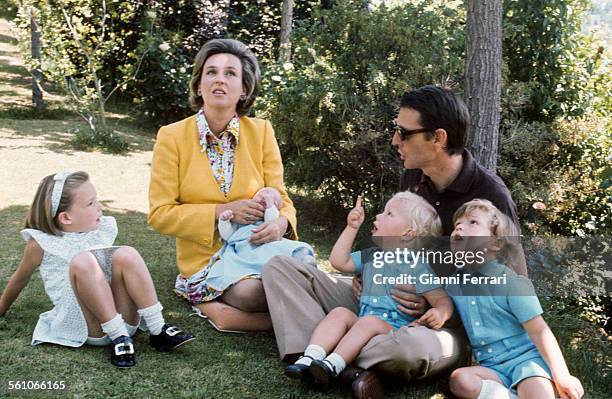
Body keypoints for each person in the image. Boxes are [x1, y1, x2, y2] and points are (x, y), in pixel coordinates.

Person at [261, 85, 520, 398]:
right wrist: (365, 273)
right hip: (378, 304)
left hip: (437, 326)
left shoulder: (491, 196)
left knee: (410, 348)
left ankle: (332, 356)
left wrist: (435, 301)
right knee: (280, 268)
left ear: (438, 138)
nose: (395, 140)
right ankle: (333, 363)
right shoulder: (413, 177)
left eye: (403, 132)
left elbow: (512, 284)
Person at [148, 38, 297, 332]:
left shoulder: (262, 131)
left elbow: (282, 198)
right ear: (199, 84)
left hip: (256, 251)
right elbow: (160, 215)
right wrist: (222, 211)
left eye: (230, 73)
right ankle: (304, 321)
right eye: (211, 72)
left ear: (244, 88)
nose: (219, 79)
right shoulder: (171, 137)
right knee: (258, 293)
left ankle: (228, 313)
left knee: (294, 276)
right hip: (207, 260)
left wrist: (281, 224)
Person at [0, 171, 195, 368]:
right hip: (89, 327)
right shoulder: (40, 244)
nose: (99, 208)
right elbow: (20, 279)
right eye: (90, 204)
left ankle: (157, 328)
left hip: (124, 319)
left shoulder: (98, 230)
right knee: (83, 261)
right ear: (66, 217)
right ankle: (118, 337)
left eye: (96, 200)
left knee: (126, 253)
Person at [285, 193, 453, 387]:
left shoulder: (417, 267)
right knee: (340, 313)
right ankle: (309, 358)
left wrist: (440, 312)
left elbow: (442, 300)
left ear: (407, 234)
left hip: (392, 332)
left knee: (370, 322)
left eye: (389, 214)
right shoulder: (371, 256)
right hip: (364, 324)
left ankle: (332, 366)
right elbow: (339, 261)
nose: (378, 216)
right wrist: (352, 227)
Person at [447, 199, 583, 399]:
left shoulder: (512, 283)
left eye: (472, 223)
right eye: (457, 225)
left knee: (537, 392)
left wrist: (562, 375)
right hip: (491, 368)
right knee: (460, 380)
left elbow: (539, 331)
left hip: (526, 362)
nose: (459, 227)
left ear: (495, 243)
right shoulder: (453, 285)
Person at [180, 187, 315, 305]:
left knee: (289, 248)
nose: (264, 195)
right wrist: (224, 220)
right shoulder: (242, 215)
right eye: (262, 193)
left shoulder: (265, 218)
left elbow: (272, 219)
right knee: (251, 272)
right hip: (244, 249)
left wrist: (270, 206)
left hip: (267, 245)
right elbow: (228, 235)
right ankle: (282, 278)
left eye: (270, 195)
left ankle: (303, 262)